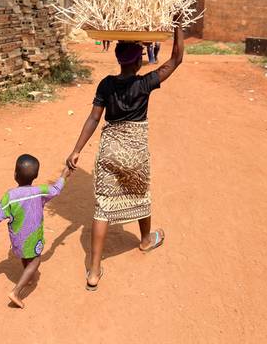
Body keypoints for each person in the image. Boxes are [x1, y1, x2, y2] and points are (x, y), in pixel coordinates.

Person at [66, 14, 184, 291]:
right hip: (134, 151)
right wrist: (179, 23)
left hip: (109, 149)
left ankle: (93, 271)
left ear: (119, 58)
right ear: (137, 60)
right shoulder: (144, 83)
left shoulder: (106, 84)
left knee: (103, 207)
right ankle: (145, 240)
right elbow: (176, 59)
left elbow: (94, 119)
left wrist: (76, 150)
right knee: (141, 193)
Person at [0, 154, 71, 308]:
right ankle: (16, 291)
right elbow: (56, 190)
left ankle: (27, 277)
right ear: (35, 176)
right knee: (35, 260)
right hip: (33, 238)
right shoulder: (39, 191)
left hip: (17, 239)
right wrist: (63, 175)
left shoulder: (10, 196)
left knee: (26, 256)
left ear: (15, 174)